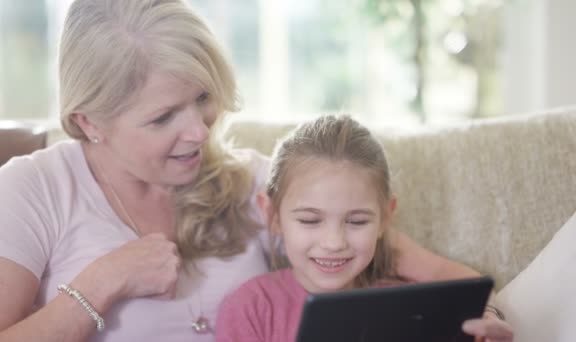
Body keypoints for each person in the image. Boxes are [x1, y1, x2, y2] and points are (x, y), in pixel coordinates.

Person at [0, 1, 502, 341]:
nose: (201, 131)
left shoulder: (258, 185)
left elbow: (434, 276)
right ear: (89, 122)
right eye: (162, 117)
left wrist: (491, 318)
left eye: (203, 98)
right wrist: (100, 284)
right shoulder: (32, 190)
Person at [215, 115, 514, 342]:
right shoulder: (251, 308)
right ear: (273, 216)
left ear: (385, 219)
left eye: (357, 221)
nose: (334, 242)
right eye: (309, 220)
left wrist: (488, 326)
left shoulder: (414, 307)